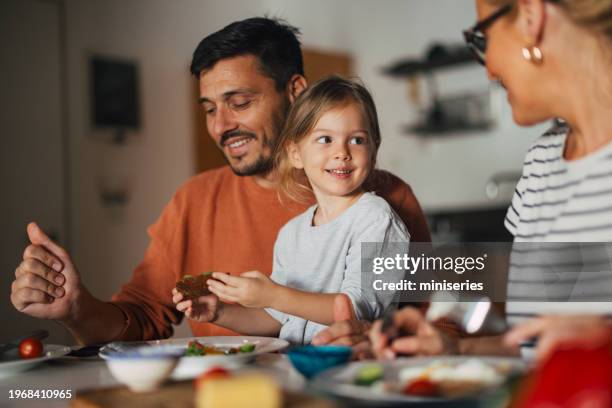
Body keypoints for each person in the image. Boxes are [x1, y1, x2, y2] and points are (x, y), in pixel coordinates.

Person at [9, 17, 430, 345]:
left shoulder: (388, 197)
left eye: (240, 102)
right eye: (209, 109)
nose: (222, 126)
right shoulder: (195, 201)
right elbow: (140, 316)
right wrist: (76, 309)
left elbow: (454, 312)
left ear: (295, 90)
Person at [322, 0, 612, 361]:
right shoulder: (543, 161)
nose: (489, 70)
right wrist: (452, 347)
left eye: (483, 38)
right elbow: (532, 349)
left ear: (532, 17)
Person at [173, 76, 410, 344]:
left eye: (357, 140)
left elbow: (358, 310)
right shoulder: (291, 233)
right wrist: (221, 313)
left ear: (374, 149)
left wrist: (273, 295)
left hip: (356, 368)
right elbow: (278, 319)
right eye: (325, 139)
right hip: (297, 366)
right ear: (295, 154)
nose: (342, 152)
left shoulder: (376, 219)